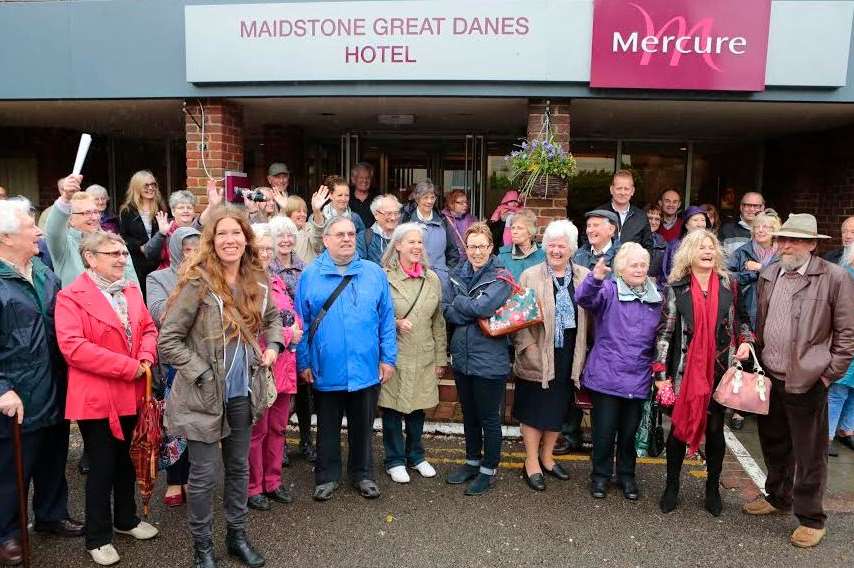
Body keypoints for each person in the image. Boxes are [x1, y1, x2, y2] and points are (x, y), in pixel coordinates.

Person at [159, 205, 284, 568]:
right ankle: (202, 548)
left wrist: (273, 346)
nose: (231, 240)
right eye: (222, 234)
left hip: (242, 393)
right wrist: (201, 373)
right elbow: (168, 340)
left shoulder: (256, 279)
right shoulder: (197, 282)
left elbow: (273, 319)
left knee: (239, 468)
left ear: (246, 239)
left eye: (237, 233)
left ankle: (236, 537)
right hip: (202, 395)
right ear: (211, 241)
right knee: (202, 476)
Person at [743, 213, 854, 549]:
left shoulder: (834, 277)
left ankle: (811, 518)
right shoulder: (770, 272)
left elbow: (848, 335)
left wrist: (826, 375)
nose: (784, 246)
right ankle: (778, 497)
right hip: (770, 375)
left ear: (810, 244)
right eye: (781, 239)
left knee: (809, 454)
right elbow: (757, 318)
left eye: (792, 240)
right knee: (774, 444)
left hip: (809, 381)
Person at [55, 231, 160, 565]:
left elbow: (148, 329)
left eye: (123, 253)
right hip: (97, 397)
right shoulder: (70, 296)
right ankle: (97, 537)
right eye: (112, 253)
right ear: (90, 257)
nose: (121, 259)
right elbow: (74, 347)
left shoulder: (130, 288)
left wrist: (145, 357)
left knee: (128, 459)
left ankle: (126, 520)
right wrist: (128, 367)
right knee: (102, 465)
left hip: (131, 390)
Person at [0, 198, 83, 567]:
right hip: (16, 392)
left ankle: (51, 513)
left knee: (53, 456)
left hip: (55, 383)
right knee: (11, 469)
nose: (38, 232)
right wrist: (1, 388)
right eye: (29, 227)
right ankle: (7, 532)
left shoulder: (44, 271)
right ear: (5, 237)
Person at [296, 216, 397, 502]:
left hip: (366, 366)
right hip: (326, 367)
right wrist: (303, 362)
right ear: (325, 240)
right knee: (327, 425)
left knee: (363, 425)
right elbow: (301, 323)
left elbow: (386, 319)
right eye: (339, 234)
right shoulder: (310, 275)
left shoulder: (373, 273)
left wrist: (388, 358)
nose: (347, 239)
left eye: (351, 234)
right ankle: (327, 476)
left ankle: (362, 474)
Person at [654, 230, 752, 518]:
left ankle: (712, 488)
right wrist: (660, 374)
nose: (707, 252)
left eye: (711, 247)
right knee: (679, 430)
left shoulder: (729, 284)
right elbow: (665, 332)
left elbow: (742, 321)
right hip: (686, 370)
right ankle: (671, 486)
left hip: (719, 370)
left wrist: (746, 341)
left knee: (714, 430)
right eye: (701, 248)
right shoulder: (676, 287)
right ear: (689, 254)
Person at [576, 243, 662, 500]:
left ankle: (627, 476)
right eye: (633, 265)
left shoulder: (657, 296)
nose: (639, 269)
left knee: (628, 434)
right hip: (607, 375)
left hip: (638, 376)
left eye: (643, 265)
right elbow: (584, 299)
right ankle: (600, 477)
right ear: (621, 269)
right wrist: (595, 278)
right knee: (603, 432)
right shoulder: (609, 291)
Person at [512, 220, 589, 492]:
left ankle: (547, 457)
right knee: (534, 409)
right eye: (552, 245)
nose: (557, 250)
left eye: (562, 245)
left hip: (568, 352)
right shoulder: (530, 275)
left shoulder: (583, 275)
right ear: (545, 247)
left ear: (572, 248)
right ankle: (531, 461)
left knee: (558, 408)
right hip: (537, 351)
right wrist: (527, 348)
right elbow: (518, 318)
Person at [443, 223, 513, 496]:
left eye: (481, 246)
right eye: (471, 246)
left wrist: (465, 306)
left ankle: (488, 469)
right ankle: (472, 461)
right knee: (469, 415)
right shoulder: (456, 273)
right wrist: (469, 308)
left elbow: (482, 306)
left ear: (491, 248)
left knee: (488, 418)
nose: (476, 252)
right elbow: (448, 310)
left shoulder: (501, 276)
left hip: (490, 359)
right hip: (462, 357)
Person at [379, 223, 447, 483]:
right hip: (394, 355)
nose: (418, 246)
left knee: (417, 409)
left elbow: (438, 322)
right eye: (411, 242)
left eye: (420, 242)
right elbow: (373, 316)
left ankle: (416, 456)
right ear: (397, 246)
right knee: (393, 409)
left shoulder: (431, 279)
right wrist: (395, 322)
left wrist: (441, 358)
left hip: (423, 354)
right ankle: (394, 460)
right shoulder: (384, 277)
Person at [145, 226, 201, 508]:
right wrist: (186, 286)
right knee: (174, 423)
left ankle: (192, 476)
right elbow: (158, 314)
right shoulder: (158, 277)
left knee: (197, 422)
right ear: (177, 250)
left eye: (197, 250)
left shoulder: (208, 277)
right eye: (187, 250)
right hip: (173, 362)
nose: (193, 255)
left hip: (202, 358)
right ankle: (175, 479)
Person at [247, 223, 301, 511]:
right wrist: (288, 333)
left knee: (278, 428)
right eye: (261, 248)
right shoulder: (244, 283)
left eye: (269, 248)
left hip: (284, 366)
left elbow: (291, 317)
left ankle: (272, 481)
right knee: (258, 430)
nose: (266, 253)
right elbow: (251, 326)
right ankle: (253, 486)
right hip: (261, 365)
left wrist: (297, 328)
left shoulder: (277, 281)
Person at [267, 215, 313, 464]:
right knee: (279, 393)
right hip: (277, 339)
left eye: (289, 236)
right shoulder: (266, 267)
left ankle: (307, 441)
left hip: (301, 337)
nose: (285, 240)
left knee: (305, 393)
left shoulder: (304, 267)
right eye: (280, 236)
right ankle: (280, 443)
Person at [401, 180, 460, 285]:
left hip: (439, 281)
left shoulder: (443, 221)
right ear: (417, 199)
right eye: (425, 197)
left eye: (432, 197)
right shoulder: (406, 220)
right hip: (412, 280)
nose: (429, 201)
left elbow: (453, 252)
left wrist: (447, 273)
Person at [727, 212, 781, 328]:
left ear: (774, 230)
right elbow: (727, 277)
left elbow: (786, 277)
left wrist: (760, 268)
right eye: (757, 226)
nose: (760, 230)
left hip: (776, 309)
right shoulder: (741, 252)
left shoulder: (783, 253)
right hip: (747, 310)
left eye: (765, 227)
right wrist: (750, 275)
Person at [118, 170, 168, 294]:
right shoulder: (127, 211)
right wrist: (139, 246)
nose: (151, 188)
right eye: (146, 185)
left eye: (153, 184)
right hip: (138, 264)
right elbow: (123, 238)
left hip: (159, 262)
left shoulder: (161, 207)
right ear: (137, 187)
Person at [828, 244, 854, 456]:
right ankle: (825, 436)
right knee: (838, 390)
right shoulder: (844, 276)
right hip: (848, 338)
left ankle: (846, 429)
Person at [593, 170, 653, 253]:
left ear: (632, 191)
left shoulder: (641, 217)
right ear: (611, 190)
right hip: (603, 265)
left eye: (626, 189)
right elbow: (588, 245)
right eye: (619, 188)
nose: (622, 192)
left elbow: (648, 248)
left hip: (631, 265)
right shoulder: (598, 214)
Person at [141, 190, 199, 271]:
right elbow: (149, 253)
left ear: (193, 211)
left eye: (189, 207)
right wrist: (161, 233)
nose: (186, 211)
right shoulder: (166, 228)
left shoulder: (199, 231)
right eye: (181, 207)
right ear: (173, 211)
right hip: (168, 276)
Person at [308, 176, 366, 246]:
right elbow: (315, 244)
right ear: (331, 195)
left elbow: (363, 244)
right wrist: (316, 211)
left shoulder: (355, 218)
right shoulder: (316, 217)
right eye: (340, 195)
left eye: (347, 195)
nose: (343, 199)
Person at [661, 206, 711, 279]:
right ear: (686, 225)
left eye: (703, 220)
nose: (700, 224)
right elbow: (666, 273)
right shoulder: (675, 246)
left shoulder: (711, 245)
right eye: (695, 220)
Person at [497, 208, 545, 282]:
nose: (514, 232)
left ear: (530, 232)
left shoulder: (543, 254)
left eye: (519, 228)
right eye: (513, 228)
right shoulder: (503, 257)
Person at [273, 194, 322, 264]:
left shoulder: (309, 228)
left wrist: (317, 211)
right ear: (289, 213)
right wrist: (283, 210)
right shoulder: (281, 231)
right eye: (298, 211)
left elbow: (318, 242)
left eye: (304, 211)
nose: (303, 214)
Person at [357, 194, 402, 264]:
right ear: (376, 215)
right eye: (388, 213)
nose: (393, 218)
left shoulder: (403, 236)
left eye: (396, 213)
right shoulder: (364, 238)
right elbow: (359, 266)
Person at [719, 191, 765, 256]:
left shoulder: (770, 229)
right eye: (747, 205)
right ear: (741, 207)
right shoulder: (727, 229)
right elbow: (719, 258)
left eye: (755, 206)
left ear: (762, 208)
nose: (751, 209)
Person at [441, 189, 477, 259]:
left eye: (466, 202)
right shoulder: (443, 219)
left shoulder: (472, 219)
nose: (465, 205)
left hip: (469, 259)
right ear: (451, 203)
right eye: (461, 203)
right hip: (451, 260)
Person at [644, 203, 668, 285]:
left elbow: (665, 270)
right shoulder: (633, 239)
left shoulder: (662, 242)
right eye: (650, 218)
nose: (653, 222)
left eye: (657, 219)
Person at [349, 162, 377, 229]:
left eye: (367, 178)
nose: (365, 180)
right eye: (361, 177)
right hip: (350, 236)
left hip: (372, 236)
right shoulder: (346, 197)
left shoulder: (378, 198)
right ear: (353, 179)